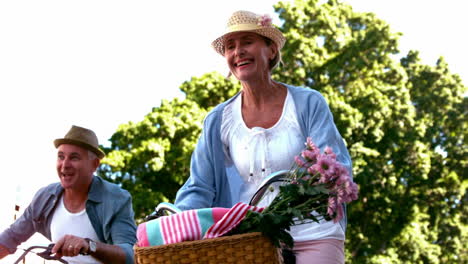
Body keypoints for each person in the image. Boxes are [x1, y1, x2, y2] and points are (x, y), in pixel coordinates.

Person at [174, 10, 352, 264]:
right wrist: (175, 222)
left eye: (247, 41)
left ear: (270, 50)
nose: (238, 51)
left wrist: (302, 191)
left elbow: (334, 167)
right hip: (254, 238)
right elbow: (200, 186)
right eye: (230, 46)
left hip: (315, 232)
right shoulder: (218, 120)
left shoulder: (307, 103)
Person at [0, 125, 137, 264]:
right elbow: (11, 237)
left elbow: (130, 255)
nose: (65, 164)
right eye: (61, 157)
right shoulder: (45, 196)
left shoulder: (116, 199)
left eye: (74, 158)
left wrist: (89, 246)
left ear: (94, 165)